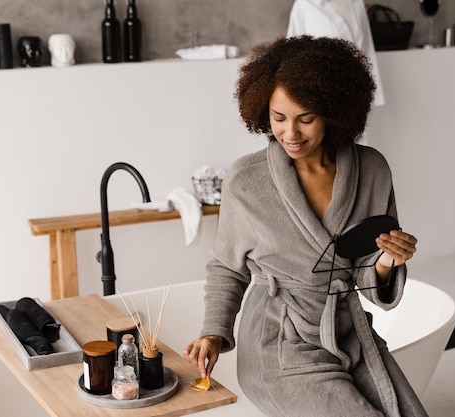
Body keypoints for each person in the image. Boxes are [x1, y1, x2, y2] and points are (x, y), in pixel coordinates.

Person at [183, 36, 427, 417]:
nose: (290, 134)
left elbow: (365, 262)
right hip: (277, 342)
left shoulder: (373, 169)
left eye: (306, 118)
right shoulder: (247, 179)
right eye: (278, 118)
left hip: (349, 333)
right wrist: (214, 331)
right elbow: (227, 267)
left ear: (333, 111)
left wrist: (386, 262)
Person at [286, 0, 385, 106]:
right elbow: (291, 55)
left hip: (355, 95)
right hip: (319, 96)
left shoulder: (357, 3)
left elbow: (367, 49)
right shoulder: (304, 4)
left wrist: (372, 94)